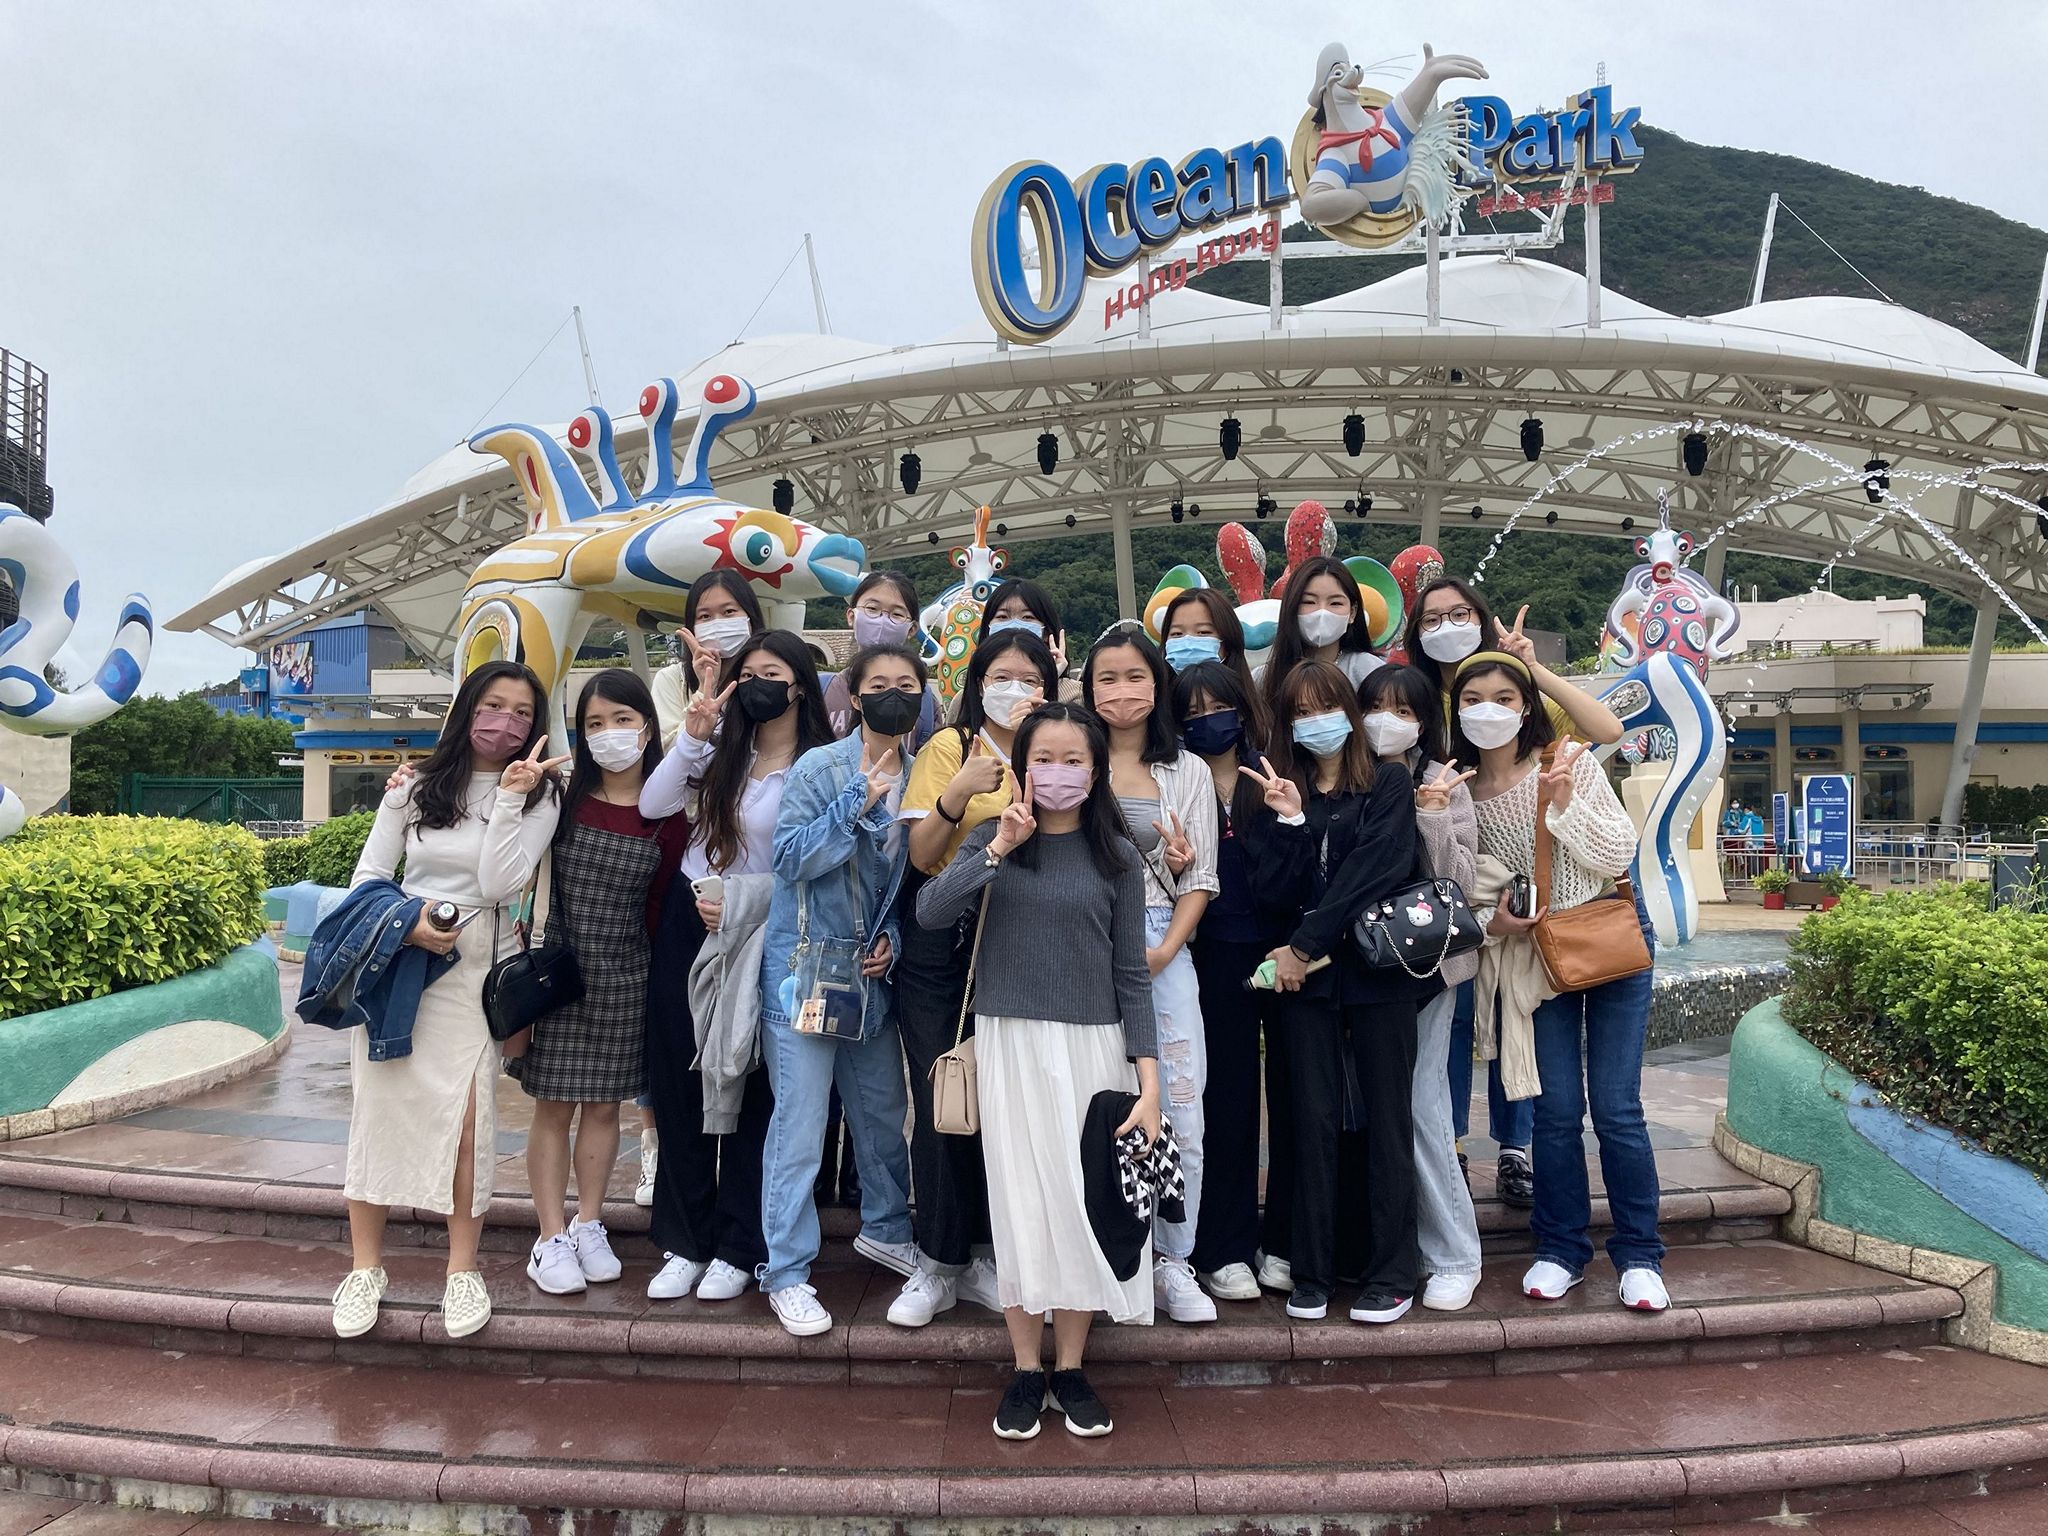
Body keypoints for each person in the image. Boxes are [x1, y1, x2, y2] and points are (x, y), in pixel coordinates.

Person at [916, 703, 1161, 1440]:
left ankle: (1073, 1366)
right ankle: (1027, 1368)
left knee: (1084, 1205)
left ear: (1096, 768)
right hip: (1010, 1042)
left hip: (1094, 1047)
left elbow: (1132, 974)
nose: (1058, 773)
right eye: (1043, 759)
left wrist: (1149, 1083)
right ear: (1022, 766)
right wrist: (997, 848)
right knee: (1021, 1201)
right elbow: (930, 912)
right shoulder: (995, 838)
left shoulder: (1117, 855)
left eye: (1073, 760)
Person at [331, 661, 564, 1342]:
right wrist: (408, 924)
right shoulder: (415, 786)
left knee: (467, 1119)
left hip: (472, 972)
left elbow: (498, 884)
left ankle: (462, 1270)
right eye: (494, 705)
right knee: (377, 1112)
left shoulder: (542, 797)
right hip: (399, 963)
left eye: (522, 712)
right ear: (468, 709)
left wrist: (513, 797)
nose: (506, 721)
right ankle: (365, 1268)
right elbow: (370, 876)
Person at [1454, 651, 1667, 1311]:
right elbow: (1465, 887)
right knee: (1554, 1112)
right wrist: (1494, 923)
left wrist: (1565, 803)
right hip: (1537, 959)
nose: (1489, 711)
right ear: (1456, 711)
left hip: (1606, 937)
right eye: (1472, 700)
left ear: (1526, 708)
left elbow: (1618, 852)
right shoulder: (1460, 792)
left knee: (1617, 1109)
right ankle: (1561, 1248)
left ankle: (1639, 1255)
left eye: (1504, 698)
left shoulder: (1565, 760)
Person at [1406, 577, 1623, 1210]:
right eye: (1432, 618)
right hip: (1460, 889)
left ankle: (1515, 1148)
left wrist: (1532, 670)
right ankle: (1450, 1142)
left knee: (1514, 1018)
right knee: (1454, 1023)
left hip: (1528, 904)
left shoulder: (1514, 686)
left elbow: (1604, 729)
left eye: (1460, 613)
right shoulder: (1418, 697)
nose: (1447, 626)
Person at [638, 630, 832, 1303]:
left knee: (757, 1090)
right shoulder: (725, 749)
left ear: (799, 685)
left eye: (771, 674)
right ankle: (685, 1239)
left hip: (767, 934)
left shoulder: (821, 763)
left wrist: (750, 901)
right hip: (692, 920)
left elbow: (823, 864)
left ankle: (739, 1244)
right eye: (747, 675)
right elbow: (654, 804)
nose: (756, 686)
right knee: (681, 1079)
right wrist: (694, 735)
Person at [1250, 659, 1432, 1326]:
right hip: (1306, 988)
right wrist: (1292, 825)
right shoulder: (1284, 789)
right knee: (1312, 1121)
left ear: (1350, 714)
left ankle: (1391, 1272)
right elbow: (1274, 892)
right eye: (1300, 712)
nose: (1314, 722)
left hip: (1376, 976)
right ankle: (1313, 1270)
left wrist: (1304, 946)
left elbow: (1376, 869)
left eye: (1326, 707)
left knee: (1387, 1120)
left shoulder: (1387, 781)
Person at [889, 628, 1060, 1326]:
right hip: (945, 940)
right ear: (977, 682)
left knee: (1010, 1103)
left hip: (1024, 942)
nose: (1015, 690)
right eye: (1001, 677)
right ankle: (937, 1260)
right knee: (945, 1095)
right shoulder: (951, 747)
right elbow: (921, 856)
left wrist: (1040, 753)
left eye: (1030, 678)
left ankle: (994, 1252)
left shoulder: (1058, 748)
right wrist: (957, 793)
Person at [754, 642, 924, 1337]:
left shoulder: (925, 772)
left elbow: (912, 881)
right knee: (799, 1126)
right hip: (807, 968)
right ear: (854, 697)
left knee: (882, 1113)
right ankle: (786, 1272)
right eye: (878, 684)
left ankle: (887, 1228)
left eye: (906, 683)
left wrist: (896, 941)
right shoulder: (820, 767)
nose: (893, 694)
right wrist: (857, 800)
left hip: (869, 974)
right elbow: (789, 858)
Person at [514, 670, 690, 1296]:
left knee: (604, 1106)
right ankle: (548, 1236)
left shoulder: (667, 812)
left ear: (647, 726)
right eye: (593, 723)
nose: (608, 733)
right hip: (559, 974)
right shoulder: (560, 799)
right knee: (552, 1105)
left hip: (628, 975)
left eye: (621, 719)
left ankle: (589, 1222)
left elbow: (664, 905)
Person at [1082, 626, 1219, 1323]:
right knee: (1091, 1104)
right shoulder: (1072, 758)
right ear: (1087, 688)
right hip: (1079, 947)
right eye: (1107, 678)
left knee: (1179, 1107)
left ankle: (1175, 1259)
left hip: (1159, 945)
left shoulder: (1187, 771)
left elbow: (1201, 877)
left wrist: (1165, 949)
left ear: (1158, 686)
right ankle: (1106, 1261)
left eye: (1136, 676)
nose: (1122, 691)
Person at [1359, 664, 1486, 1312]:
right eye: (1376, 706)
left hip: (1427, 971)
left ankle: (1455, 1255)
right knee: (1376, 1112)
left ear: (1424, 722)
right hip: (1360, 972)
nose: (1388, 721)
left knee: (1422, 1106)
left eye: (1404, 711)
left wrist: (1432, 815)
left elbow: (1454, 884)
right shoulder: (1348, 775)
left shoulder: (1442, 780)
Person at [1169, 660, 1295, 1304]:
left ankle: (1289, 1241)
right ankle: (1225, 1247)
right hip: (1217, 955)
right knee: (1228, 1100)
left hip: (1289, 954)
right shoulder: (1177, 779)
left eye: (1217, 708)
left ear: (1242, 710)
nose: (1207, 721)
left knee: (1298, 1099)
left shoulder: (1273, 771)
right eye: (1191, 714)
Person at [1255, 556, 1385, 727]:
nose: (1322, 612)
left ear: (1352, 613)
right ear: (1291, 607)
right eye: (1309, 602)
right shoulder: (1264, 679)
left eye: (1335, 603)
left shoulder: (1371, 671)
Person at [823, 570, 945, 749]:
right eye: (872, 609)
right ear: (851, 616)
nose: (882, 620)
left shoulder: (924, 701)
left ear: (912, 629)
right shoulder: (822, 691)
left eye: (897, 614)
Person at [652, 570, 768, 748]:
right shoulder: (671, 679)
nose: (717, 623)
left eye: (729, 611)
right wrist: (705, 688)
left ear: (750, 618)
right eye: (705, 616)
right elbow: (666, 752)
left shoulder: (770, 677)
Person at [1161, 587, 1265, 728]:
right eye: (1177, 634)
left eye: (1203, 632)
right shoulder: (1154, 718)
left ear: (1228, 640)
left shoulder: (1261, 723)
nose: (1188, 642)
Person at [977, 577, 1079, 700]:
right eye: (1002, 616)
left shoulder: (1075, 695)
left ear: (1046, 632)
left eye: (1027, 617)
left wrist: (1049, 681)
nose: (1015, 625)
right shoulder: (967, 697)